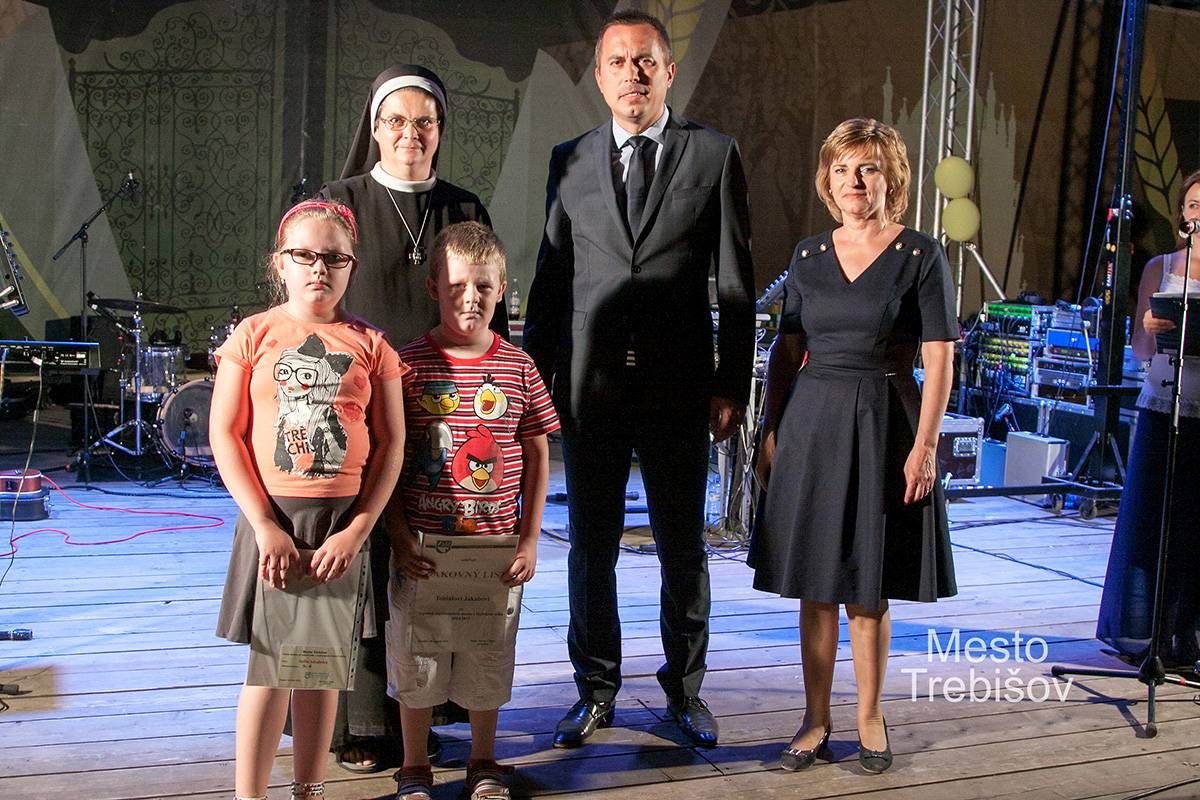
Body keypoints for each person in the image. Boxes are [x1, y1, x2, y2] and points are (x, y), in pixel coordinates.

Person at [523, 10, 756, 749]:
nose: (633, 73)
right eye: (619, 61)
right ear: (599, 77)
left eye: (646, 60)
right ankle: (595, 690)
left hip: (679, 388)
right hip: (587, 389)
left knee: (682, 547)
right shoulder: (568, 159)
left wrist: (731, 384)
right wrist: (531, 383)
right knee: (590, 548)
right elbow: (552, 278)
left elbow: (736, 283)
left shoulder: (714, 154)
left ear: (668, 71)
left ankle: (685, 690)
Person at [749, 118, 958, 775]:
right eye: (841, 169)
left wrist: (926, 445)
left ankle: (870, 716)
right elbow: (787, 350)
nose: (853, 181)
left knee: (867, 586)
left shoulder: (921, 255)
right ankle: (815, 720)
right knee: (815, 584)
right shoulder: (809, 256)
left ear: (891, 177)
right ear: (827, 180)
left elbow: (939, 355)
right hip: (811, 423)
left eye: (867, 168)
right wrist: (770, 431)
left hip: (882, 423)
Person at [316, 63, 507, 771]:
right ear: (374, 129)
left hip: (444, 412)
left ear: (441, 131)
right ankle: (363, 726)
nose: (410, 134)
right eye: (395, 121)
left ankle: (428, 712)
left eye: (424, 122)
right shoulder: (341, 202)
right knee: (362, 566)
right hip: (359, 409)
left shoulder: (464, 207)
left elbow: (489, 315)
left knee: (428, 564)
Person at [210, 199, 408, 800]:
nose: (319, 268)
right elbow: (225, 434)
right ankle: (250, 795)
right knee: (269, 669)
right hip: (273, 519)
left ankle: (309, 789)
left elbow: (392, 444)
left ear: (351, 266)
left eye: (333, 258)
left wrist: (356, 531)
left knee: (319, 666)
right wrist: (264, 525)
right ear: (281, 263)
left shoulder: (371, 344)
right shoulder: (254, 335)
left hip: (340, 525)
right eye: (305, 255)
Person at [386, 222, 559, 800]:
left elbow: (537, 451)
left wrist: (529, 539)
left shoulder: (519, 366)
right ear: (434, 286)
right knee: (417, 663)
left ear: (502, 288)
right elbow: (387, 457)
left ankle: (484, 761)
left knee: (488, 659)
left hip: (495, 556)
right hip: (423, 554)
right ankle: (414, 767)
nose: (471, 298)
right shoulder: (406, 365)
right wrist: (398, 534)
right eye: (458, 285)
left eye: (484, 286)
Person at [1097, 169, 1200, 670]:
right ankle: (1148, 634)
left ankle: (1191, 634)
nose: (1199, 214)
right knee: (1154, 521)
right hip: (1164, 405)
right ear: (1181, 213)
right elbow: (1139, 349)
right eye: (1193, 205)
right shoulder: (1161, 267)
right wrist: (1148, 326)